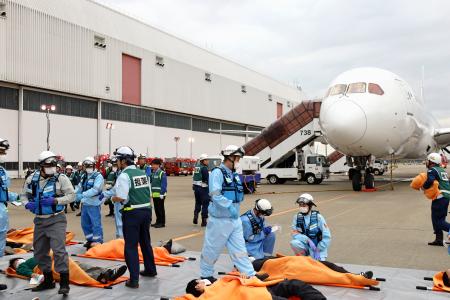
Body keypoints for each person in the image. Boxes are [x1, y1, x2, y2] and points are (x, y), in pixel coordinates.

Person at [200, 145, 265, 282]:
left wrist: (234, 210)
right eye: (237, 158)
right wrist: (229, 206)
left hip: (234, 219)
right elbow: (215, 194)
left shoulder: (233, 174)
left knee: (240, 248)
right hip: (220, 220)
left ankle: (249, 273)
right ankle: (206, 274)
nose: (239, 161)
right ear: (231, 157)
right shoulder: (217, 173)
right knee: (212, 249)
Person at [21, 150, 75, 294]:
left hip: (56, 218)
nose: (52, 167)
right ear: (41, 166)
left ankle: (64, 282)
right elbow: (23, 195)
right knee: (39, 252)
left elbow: (72, 196)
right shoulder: (32, 179)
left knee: (59, 250)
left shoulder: (61, 178)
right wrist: (27, 204)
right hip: (39, 221)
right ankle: (48, 280)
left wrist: (56, 200)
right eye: (48, 164)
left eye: (53, 164)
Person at [111, 146, 157, 289]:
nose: (117, 162)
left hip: (132, 214)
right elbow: (148, 193)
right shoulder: (142, 173)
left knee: (130, 246)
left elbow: (122, 197)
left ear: (124, 161)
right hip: (146, 211)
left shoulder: (124, 176)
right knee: (145, 242)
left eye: (118, 160)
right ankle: (150, 270)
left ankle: (134, 280)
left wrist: (113, 198)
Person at [9, 256, 127, 284]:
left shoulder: (31, 258)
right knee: (75, 270)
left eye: (18, 260)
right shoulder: (21, 266)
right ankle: (100, 276)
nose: (18, 262)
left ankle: (106, 273)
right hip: (48, 265)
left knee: (79, 265)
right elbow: (24, 271)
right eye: (16, 263)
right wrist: (34, 275)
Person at [185, 277, 326, 300]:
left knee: (293, 284)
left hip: (261, 288)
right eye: (200, 281)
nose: (204, 281)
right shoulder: (209, 294)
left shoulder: (217, 283)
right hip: (258, 297)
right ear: (198, 286)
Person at [0, 138, 19, 291]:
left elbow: (4, 192)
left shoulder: (2, 171)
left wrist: (19, 197)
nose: (4, 154)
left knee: (0, 246)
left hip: (2, 211)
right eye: (1, 151)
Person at [290, 193, 331, 261]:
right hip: (306, 245)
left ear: (310, 206)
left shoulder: (319, 217)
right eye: (300, 205)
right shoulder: (296, 217)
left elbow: (327, 236)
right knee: (294, 243)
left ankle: (318, 256)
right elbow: (294, 233)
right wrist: (308, 240)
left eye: (304, 205)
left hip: (318, 248)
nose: (302, 207)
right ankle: (302, 259)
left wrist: (318, 249)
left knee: (318, 267)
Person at [76, 157, 104, 249]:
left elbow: (95, 190)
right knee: (85, 223)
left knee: (95, 223)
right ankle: (90, 240)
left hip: (94, 203)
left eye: (90, 166)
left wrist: (82, 195)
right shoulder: (84, 176)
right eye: (86, 166)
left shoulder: (98, 176)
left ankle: (97, 241)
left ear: (94, 166)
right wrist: (74, 194)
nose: (88, 167)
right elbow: (80, 187)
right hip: (85, 204)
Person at [423, 152, 450, 246]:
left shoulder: (432, 170)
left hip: (440, 197)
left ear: (432, 162)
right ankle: (439, 239)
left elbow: (430, 180)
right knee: (437, 219)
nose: (427, 162)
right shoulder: (441, 169)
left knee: (438, 220)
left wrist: (424, 187)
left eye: (428, 161)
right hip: (445, 196)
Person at [101, 156, 124, 238]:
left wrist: (110, 197)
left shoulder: (123, 174)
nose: (115, 165)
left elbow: (119, 189)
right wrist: (104, 195)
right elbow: (115, 188)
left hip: (122, 200)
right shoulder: (115, 172)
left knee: (121, 220)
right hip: (116, 198)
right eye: (114, 164)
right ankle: (119, 237)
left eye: (116, 163)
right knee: (118, 219)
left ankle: (122, 239)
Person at [192, 153, 210, 226]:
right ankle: (204, 221)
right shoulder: (204, 168)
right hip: (203, 188)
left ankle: (195, 216)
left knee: (198, 202)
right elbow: (206, 179)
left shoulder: (197, 167)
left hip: (196, 188)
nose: (208, 161)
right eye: (206, 160)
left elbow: (194, 177)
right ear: (203, 161)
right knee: (205, 204)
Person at [150, 158, 167, 228]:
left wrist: (162, 193)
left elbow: (164, 184)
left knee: (160, 209)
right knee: (156, 209)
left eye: (154, 165)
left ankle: (162, 223)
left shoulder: (161, 173)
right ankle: (158, 221)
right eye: (152, 165)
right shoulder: (153, 173)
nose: (153, 166)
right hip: (155, 194)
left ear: (158, 165)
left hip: (160, 195)